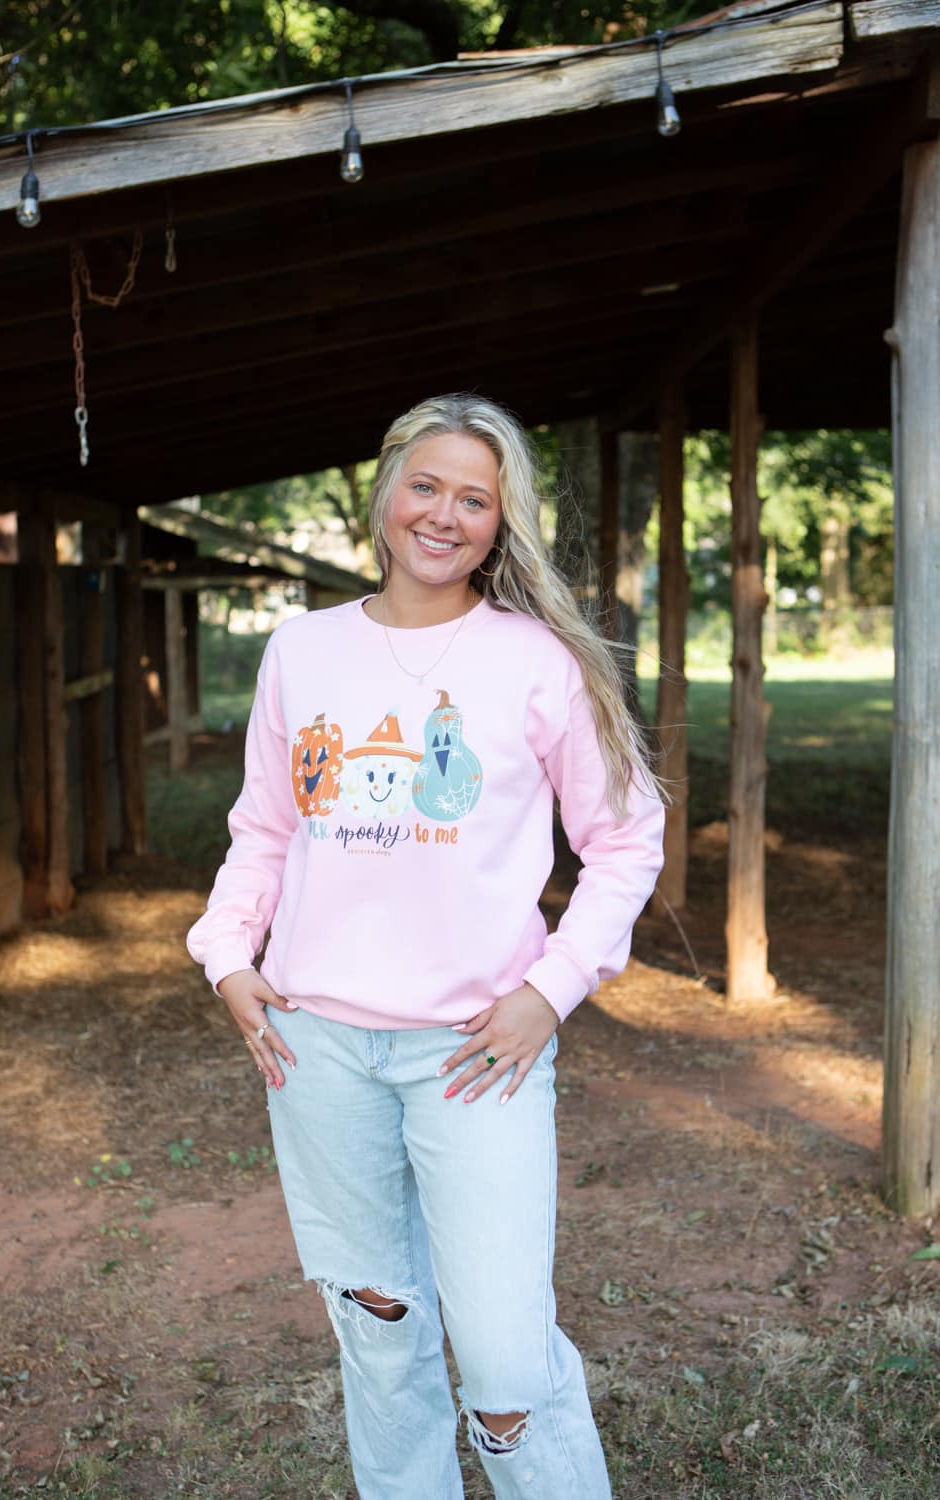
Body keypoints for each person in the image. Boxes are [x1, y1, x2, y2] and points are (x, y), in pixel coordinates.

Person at [187, 393, 665, 1499]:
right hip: (316, 1049)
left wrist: (551, 989)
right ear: (385, 494)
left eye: (474, 499)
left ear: (501, 524)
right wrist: (228, 955)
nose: (444, 515)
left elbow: (626, 835)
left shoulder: (534, 661)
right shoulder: (302, 650)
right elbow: (265, 828)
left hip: (475, 1053)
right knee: (379, 1327)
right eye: (426, 486)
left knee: (503, 1366)